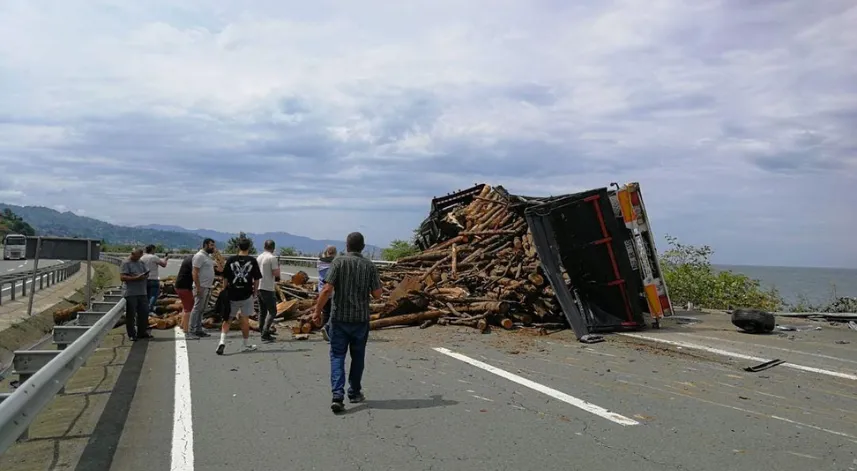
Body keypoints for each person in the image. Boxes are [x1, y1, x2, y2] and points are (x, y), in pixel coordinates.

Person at [313, 232, 382, 413]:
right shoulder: (369, 266)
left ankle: (337, 395)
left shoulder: (338, 262)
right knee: (358, 357)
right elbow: (377, 294)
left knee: (337, 356)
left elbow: (327, 289)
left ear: (347, 245)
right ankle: (354, 392)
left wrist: (317, 311)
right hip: (360, 319)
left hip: (339, 318)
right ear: (363, 246)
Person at [217, 236, 263, 355]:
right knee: (245, 320)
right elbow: (256, 278)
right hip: (246, 294)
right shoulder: (252, 261)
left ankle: (222, 342)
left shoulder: (231, 260)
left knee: (227, 319)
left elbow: (225, 277)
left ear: (238, 247)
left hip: (232, 294)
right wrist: (255, 292)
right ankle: (245, 344)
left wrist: (224, 290)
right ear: (249, 248)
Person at [120, 248, 152, 341]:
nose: (134, 256)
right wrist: (136, 278)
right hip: (130, 293)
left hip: (142, 292)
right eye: (133, 254)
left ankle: (142, 332)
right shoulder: (126, 263)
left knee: (144, 313)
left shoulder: (141, 263)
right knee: (131, 315)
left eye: (137, 255)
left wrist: (145, 276)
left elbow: (147, 272)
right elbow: (122, 277)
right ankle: (131, 334)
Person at [189, 238, 218, 338]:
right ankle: (192, 330)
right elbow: (195, 272)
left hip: (208, 286)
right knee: (197, 308)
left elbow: (220, 267)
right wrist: (198, 287)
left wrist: (217, 255)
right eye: (211, 245)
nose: (213, 247)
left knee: (202, 309)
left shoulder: (208, 257)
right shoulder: (199, 256)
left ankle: (199, 329)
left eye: (213, 245)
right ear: (205, 245)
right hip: (201, 286)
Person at [256, 239, 281, 342]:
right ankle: (265, 332)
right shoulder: (272, 258)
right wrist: (279, 267)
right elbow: (276, 274)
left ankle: (262, 329)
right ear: (273, 248)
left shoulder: (259, 257)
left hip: (259, 286)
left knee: (262, 311)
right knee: (272, 311)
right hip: (268, 287)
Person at [316, 245, 338, 342]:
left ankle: (325, 328)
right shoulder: (334, 263)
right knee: (332, 312)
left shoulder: (320, 262)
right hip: (331, 290)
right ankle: (328, 328)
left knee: (325, 311)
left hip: (321, 289)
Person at [141, 245, 169, 315]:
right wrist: (165, 259)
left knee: (146, 296)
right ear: (152, 249)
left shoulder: (142, 257)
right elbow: (163, 265)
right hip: (153, 279)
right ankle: (149, 310)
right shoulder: (154, 257)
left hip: (144, 279)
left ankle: (144, 309)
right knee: (153, 295)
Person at [173, 254, 195, 333]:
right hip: (184, 287)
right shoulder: (193, 260)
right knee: (188, 308)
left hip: (181, 286)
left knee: (187, 305)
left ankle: (182, 324)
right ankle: (186, 330)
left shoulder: (189, 258)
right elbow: (195, 273)